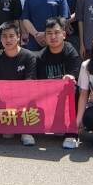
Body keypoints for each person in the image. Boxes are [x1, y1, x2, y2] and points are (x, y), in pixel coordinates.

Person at [0, 20, 39, 146]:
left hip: (24, 99)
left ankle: (26, 131)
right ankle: (9, 123)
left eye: (11, 36)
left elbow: (30, 82)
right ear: (0, 39)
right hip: (4, 101)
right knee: (6, 135)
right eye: (4, 36)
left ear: (18, 37)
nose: (8, 40)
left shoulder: (29, 56)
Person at [35, 17, 82, 149]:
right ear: (45, 36)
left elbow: (75, 75)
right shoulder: (41, 56)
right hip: (48, 95)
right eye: (49, 33)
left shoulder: (70, 51)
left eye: (56, 32)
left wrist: (70, 77)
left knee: (73, 89)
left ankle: (72, 133)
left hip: (65, 94)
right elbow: (37, 83)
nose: (53, 37)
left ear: (64, 34)